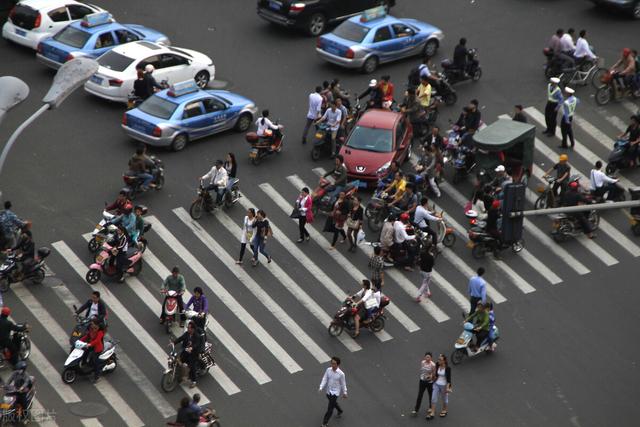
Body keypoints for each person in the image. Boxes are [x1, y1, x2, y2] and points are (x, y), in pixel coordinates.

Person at [318, 356, 347, 427]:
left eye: (334, 364)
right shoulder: (328, 370)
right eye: (332, 363)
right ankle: (340, 410)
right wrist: (321, 387)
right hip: (328, 391)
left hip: (335, 392)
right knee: (332, 403)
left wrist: (345, 392)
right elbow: (325, 378)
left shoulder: (341, 374)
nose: (332, 365)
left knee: (330, 409)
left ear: (338, 365)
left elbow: (343, 384)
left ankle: (324, 423)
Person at [173, 321, 203, 388]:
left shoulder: (197, 336)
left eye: (189, 328)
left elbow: (196, 344)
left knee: (192, 367)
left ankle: (194, 381)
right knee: (179, 360)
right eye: (187, 327)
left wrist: (191, 348)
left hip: (194, 353)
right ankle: (181, 374)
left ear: (193, 329)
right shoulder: (187, 334)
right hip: (186, 351)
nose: (187, 329)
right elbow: (181, 338)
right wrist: (173, 343)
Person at [426, 354, 452, 419]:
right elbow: (435, 373)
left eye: (440, 360)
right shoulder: (437, 364)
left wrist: (447, 388)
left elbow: (449, 380)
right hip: (436, 384)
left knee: (444, 399)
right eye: (438, 359)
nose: (438, 361)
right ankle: (432, 412)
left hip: (444, 385)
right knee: (433, 398)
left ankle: (444, 410)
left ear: (444, 361)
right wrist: (431, 376)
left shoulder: (448, 368)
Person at [412, 352, 436, 416]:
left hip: (429, 382)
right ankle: (416, 410)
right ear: (424, 357)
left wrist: (430, 377)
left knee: (430, 395)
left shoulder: (433, 365)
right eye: (426, 357)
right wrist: (424, 376)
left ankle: (431, 407)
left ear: (431, 358)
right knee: (420, 395)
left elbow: (434, 374)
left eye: (429, 357)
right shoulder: (422, 362)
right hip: (422, 381)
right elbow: (422, 371)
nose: (427, 358)